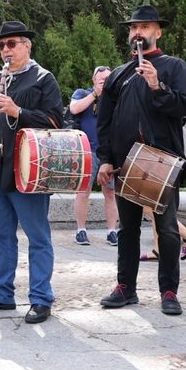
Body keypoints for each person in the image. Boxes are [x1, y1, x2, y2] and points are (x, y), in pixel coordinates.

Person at [96, 5, 186, 316]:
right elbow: (105, 122)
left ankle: (169, 291)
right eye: (134, 28)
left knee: (166, 229)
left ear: (158, 32)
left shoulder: (174, 67)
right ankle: (126, 287)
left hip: (162, 161)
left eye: (145, 27)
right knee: (128, 229)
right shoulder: (119, 75)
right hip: (126, 162)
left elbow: (183, 107)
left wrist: (156, 85)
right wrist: (105, 159)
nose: (138, 32)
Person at [0, 22, 63, 322]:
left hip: (28, 172)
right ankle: (1, 294)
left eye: (12, 44)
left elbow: (56, 123)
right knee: (0, 237)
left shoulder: (43, 79)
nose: (6, 50)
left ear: (27, 45)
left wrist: (17, 111)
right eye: (2, 46)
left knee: (37, 237)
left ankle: (41, 298)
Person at [69, 65, 119, 247]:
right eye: (101, 80)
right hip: (87, 150)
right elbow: (74, 109)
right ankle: (81, 230)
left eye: (107, 80)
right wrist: (95, 95)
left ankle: (112, 231)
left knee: (111, 192)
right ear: (93, 80)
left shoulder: (115, 97)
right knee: (84, 191)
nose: (104, 83)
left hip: (108, 152)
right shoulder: (83, 93)